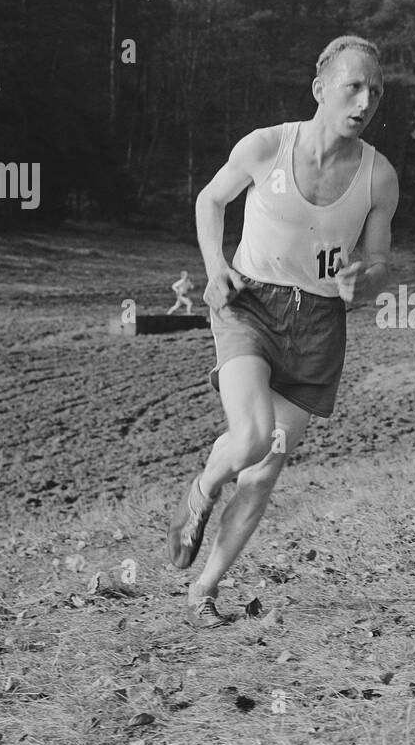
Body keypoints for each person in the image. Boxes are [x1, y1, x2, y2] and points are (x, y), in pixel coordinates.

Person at [167, 35, 399, 627]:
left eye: (375, 91)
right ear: (321, 89)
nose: (364, 100)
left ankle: (204, 590)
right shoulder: (267, 146)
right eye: (353, 87)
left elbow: (378, 262)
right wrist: (215, 269)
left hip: (319, 323)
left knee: (267, 466)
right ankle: (201, 491)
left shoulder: (379, 177)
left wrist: (362, 280)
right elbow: (209, 201)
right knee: (250, 435)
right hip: (250, 302)